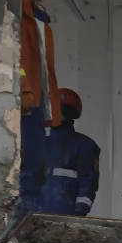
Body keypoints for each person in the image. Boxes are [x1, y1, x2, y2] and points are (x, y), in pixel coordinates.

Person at [19, 0, 62, 213]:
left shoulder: (37, 18)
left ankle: (30, 204)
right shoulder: (22, 15)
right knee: (31, 156)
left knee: (37, 157)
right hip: (28, 98)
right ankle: (27, 205)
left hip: (35, 96)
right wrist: (25, 88)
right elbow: (21, 56)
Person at [40, 88, 100, 216]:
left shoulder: (84, 145)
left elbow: (88, 182)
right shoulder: (37, 142)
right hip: (33, 216)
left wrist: (80, 212)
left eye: (55, 109)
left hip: (66, 218)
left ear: (68, 112)